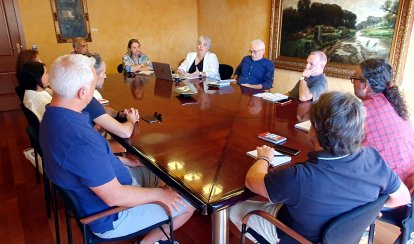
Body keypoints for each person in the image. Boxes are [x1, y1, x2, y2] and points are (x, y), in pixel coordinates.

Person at [40, 54, 194, 243]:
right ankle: (146, 242)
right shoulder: (79, 139)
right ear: (82, 92)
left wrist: (126, 160)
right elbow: (115, 196)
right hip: (112, 216)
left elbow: (88, 165)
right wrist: (162, 194)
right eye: (92, 86)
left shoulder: (52, 116)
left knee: (173, 177)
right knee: (190, 201)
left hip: (115, 183)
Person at [229, 91, 410, 243]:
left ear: (313, 129)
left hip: (296, 236)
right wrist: (368, 212)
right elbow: (403, 197)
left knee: (234, 209)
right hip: (349, 236)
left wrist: (263, 159)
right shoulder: (373, 158)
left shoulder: (299, 177)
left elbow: (252, 181)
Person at [352, 58, 414, 185]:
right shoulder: (396, 104)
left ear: (365, 84)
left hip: (387, 190)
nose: (353, 83)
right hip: (407, 182)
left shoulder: (362, 111)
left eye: (354, 79)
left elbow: (341, 149)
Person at [85, 53, 140, 138]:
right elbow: (125, 132)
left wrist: (120, 114)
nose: (105, 76)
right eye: (104, 73)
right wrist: (131, 120)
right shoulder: (86, 100)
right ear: (94, 75)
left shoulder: (85, 96)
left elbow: (102, 109)